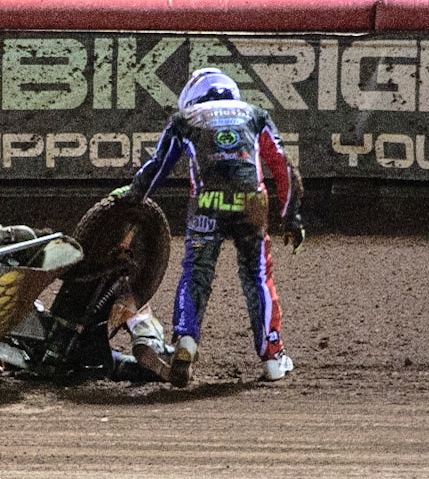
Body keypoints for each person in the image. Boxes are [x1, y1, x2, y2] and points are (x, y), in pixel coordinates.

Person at [114, 68, 305, 385]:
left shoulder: (185, 119)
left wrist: (131, 202)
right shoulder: (255, 114)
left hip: (206, 201)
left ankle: (186, 339)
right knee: (257, 273)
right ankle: (273, 358)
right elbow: (283, 165)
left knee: (196, 271)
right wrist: (291, 216)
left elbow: (156, 169)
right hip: (250, 202)